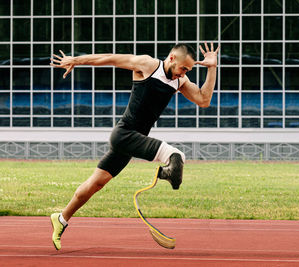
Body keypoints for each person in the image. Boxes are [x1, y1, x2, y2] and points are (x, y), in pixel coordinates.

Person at [49, 42, 220, 250]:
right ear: (172, 58)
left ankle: (61, 217)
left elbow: (204, 99)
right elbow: (109, 58)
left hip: (133, 141)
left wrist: (212, 68)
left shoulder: (180, 81)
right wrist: (75, 60)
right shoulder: (147, 64)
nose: (184, 74)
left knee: (96, 183)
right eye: (183, 68)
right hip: (124, 134)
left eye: (189, 71)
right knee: (175, 156)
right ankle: (165, 173)